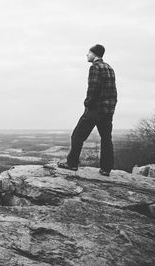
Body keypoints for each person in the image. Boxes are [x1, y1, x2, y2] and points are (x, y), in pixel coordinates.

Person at [58, 44, 117, 176]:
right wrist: (111, 108)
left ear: (94, 54)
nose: (87, 55)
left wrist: (88, 103)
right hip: (108, 110)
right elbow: (113, 91)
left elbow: (93, 88)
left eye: (88, 53)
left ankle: (72, 164)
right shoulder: (110, 68)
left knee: (77, 136)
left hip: (95, 109)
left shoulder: (95, 67)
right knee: (106, 139)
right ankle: (106, 169)